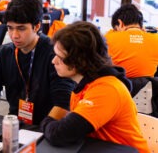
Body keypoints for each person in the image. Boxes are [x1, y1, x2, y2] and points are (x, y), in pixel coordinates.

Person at [41, 21, 149, 153]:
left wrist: (48, 121)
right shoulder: (85, 85)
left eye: (60, 57)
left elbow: (59, 134)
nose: (53, 61)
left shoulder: (106, 90)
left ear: (80, 61)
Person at [0, 0, 74, 125]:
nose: (14, 35)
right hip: (15, 123)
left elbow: (63, 102)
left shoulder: (55, 54)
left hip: (47, 125)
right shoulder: (5, 52)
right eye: (10, 28)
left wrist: (45, 129)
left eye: (21, 28)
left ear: (37, 26)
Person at [105, 4, 158, 78]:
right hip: (147, 87)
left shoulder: (108, 38)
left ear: (120, 23)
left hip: (118, 86)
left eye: (115, 29)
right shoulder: (155, 39)